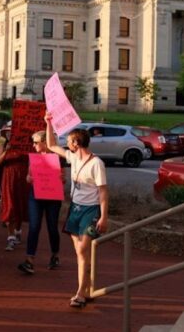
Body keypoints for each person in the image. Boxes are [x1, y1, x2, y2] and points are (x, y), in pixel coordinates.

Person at [45, 113, 108, 308]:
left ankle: (81, 292)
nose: (67, 144)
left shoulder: (96, 163)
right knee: (80, 253)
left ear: (75, 143)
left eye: (69, 141)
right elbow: (51, 145)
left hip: (91, 210)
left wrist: (104, 216)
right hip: (75, 208)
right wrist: (48, 122)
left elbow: (103, 192)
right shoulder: (73, 157)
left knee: (82, 249)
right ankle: (85, 287)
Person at [17, 131, 63, 275]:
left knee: (52, 227)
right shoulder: (34, 158)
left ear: (45, 142)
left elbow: (64, 178)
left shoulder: (58, 158)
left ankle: (55, 254)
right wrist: (28, 179)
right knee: (34, 226)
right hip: (36, 195)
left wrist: (62, 178)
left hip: (53, 197)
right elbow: (28, 176)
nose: (34, 145)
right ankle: (30, 259)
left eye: (36, 142)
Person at [0, 140, 30, 251]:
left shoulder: (27, 145)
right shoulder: (5, 145)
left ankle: (18, 230)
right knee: (10, 206)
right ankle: (10, 237)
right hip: (8, 179)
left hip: (23, 179)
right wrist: (6, 150)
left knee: (20, 204)